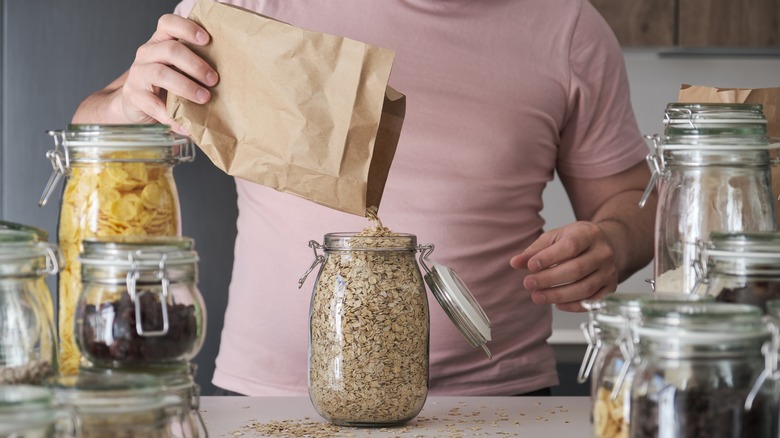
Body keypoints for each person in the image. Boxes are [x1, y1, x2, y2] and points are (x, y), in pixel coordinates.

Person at [72, 0, 657, 396]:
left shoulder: (567, 26)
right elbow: (94, 125)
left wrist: (614, 241)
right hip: (272, 399)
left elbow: (630, 196)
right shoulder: (249, 7)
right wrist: (126, 105)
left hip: (500, 399)